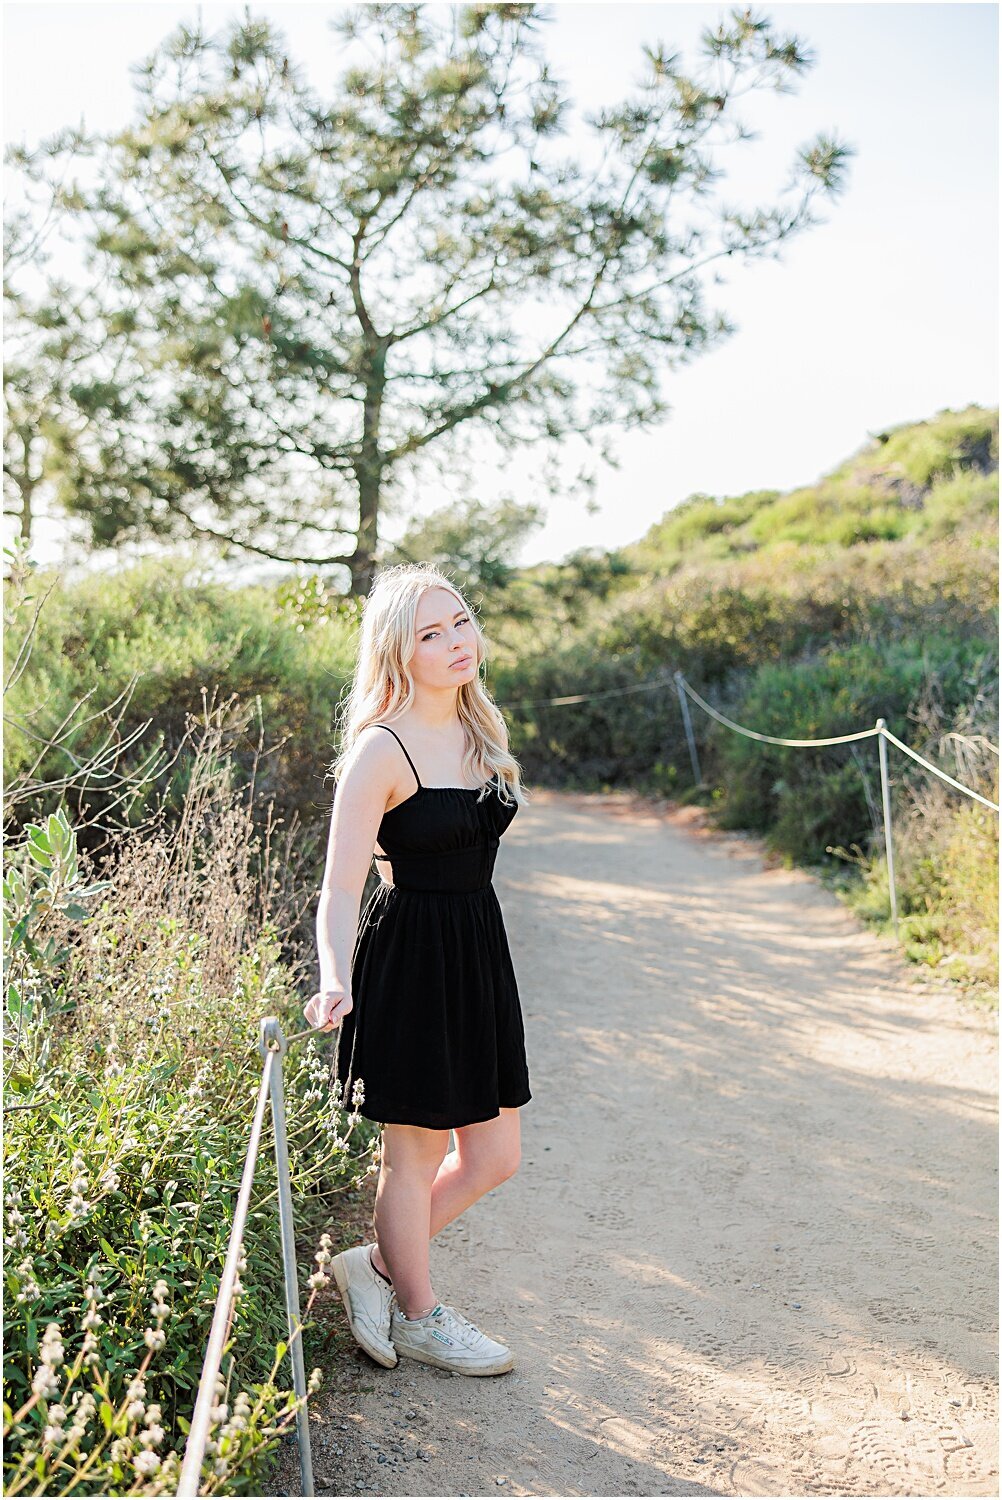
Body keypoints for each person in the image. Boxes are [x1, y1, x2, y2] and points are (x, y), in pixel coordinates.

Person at [304, 563, 532, 1378]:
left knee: (495, 1155)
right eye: (430, 634)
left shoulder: (479, 730)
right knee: (416, 1153)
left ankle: (375, 1262)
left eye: (460, 621)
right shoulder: (381, 748)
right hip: (411, 959)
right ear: (399, 652)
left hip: (477, 950)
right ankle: (419, 1314)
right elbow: (338, 886)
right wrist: (335, 977)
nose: (455, 642)